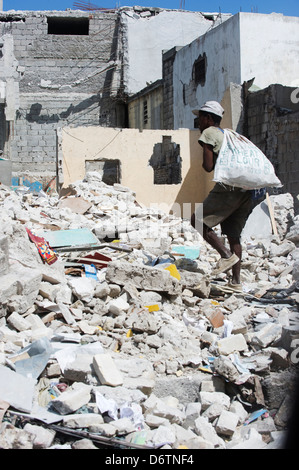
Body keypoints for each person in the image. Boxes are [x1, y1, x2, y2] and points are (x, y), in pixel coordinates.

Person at [191, 100, 258, 292]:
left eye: (200, 118)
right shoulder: (229, 135)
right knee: (233, 235)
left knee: (197, 220)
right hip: (246, 190)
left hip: (228, 187)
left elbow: (208, 167)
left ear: (208, 118)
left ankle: (226, 255)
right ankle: (236, 282)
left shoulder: (209, 133)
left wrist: (205, 147)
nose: (199, 122)